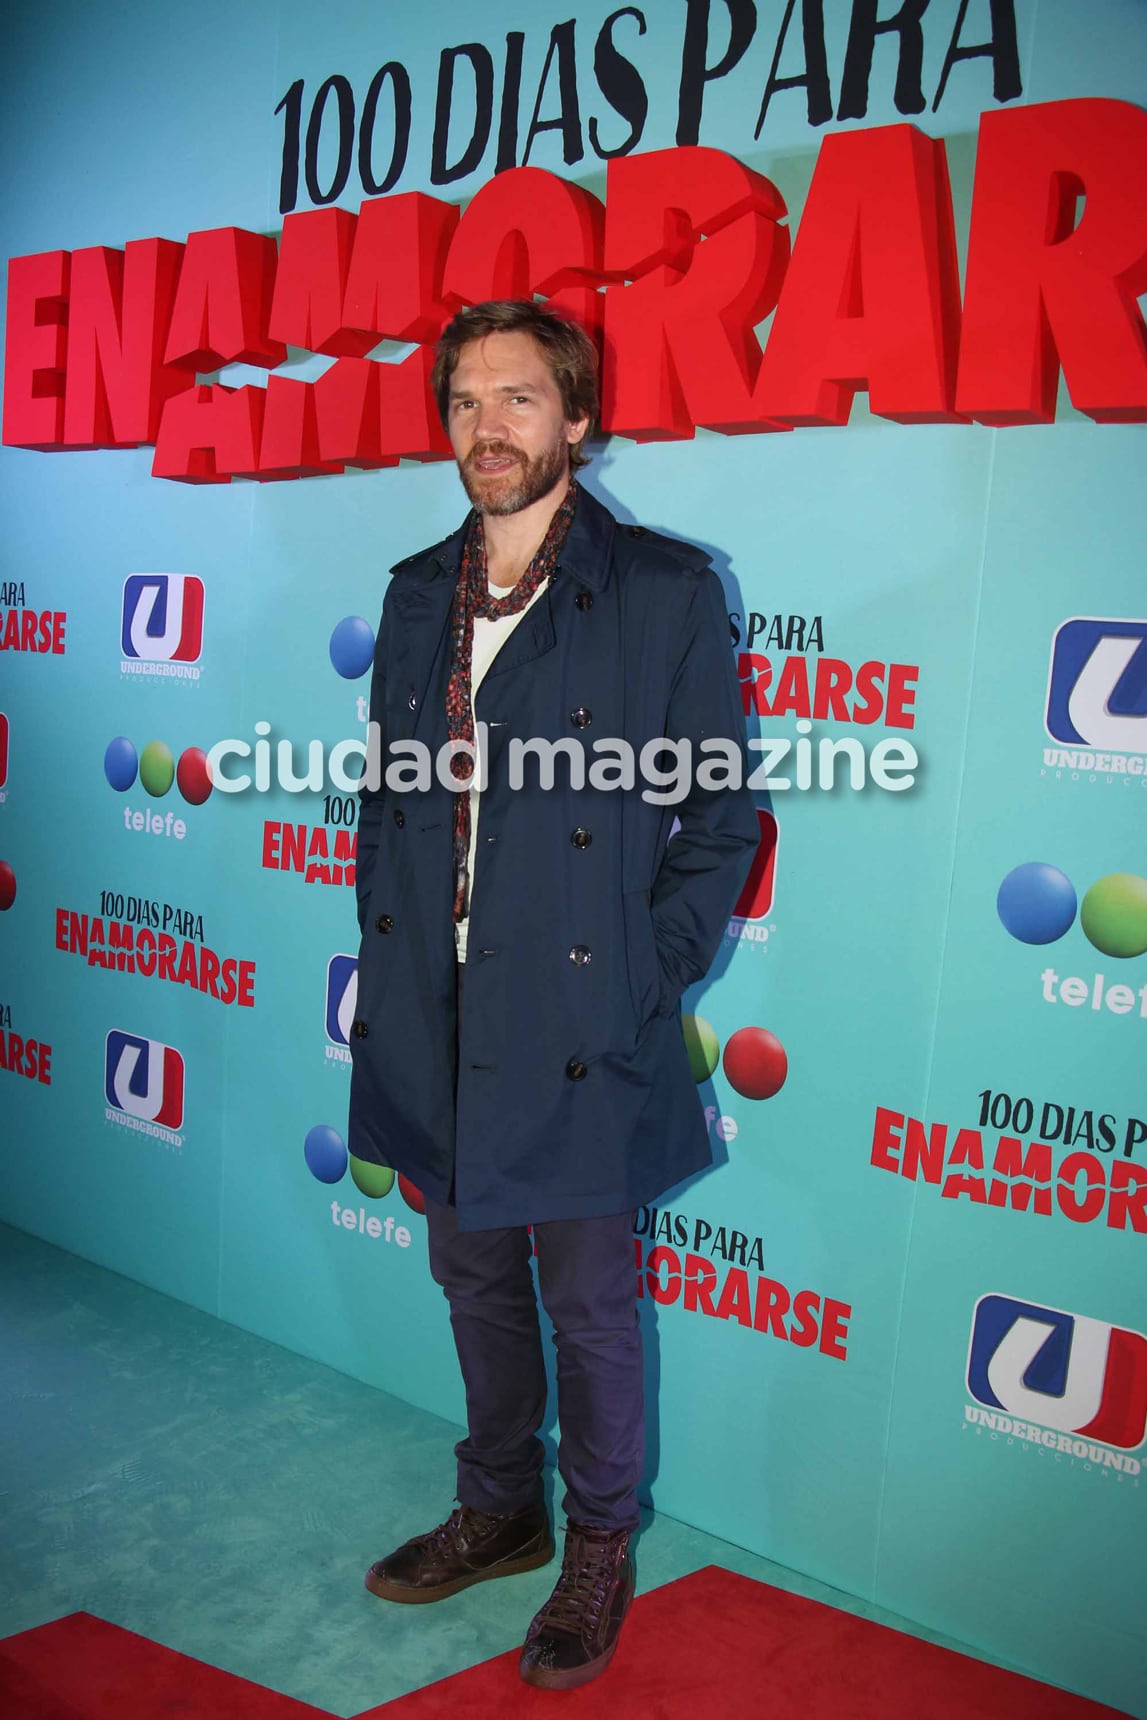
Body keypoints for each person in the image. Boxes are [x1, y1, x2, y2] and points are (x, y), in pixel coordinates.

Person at [348, 299, 758, 1690]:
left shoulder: (659, 590)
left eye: (520, 400)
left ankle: (599, 1542)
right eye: (466, 402)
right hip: (438, 1000)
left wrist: (646, 971)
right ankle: (502, 1508)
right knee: (472, 1275)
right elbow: (390, 796)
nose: (488, 430)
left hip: (582, 1015)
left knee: (588, 1298)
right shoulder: (416, 591)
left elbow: (720, 816)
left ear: (578, 421)